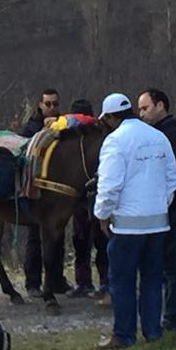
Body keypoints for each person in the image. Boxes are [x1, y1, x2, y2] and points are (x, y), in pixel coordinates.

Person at [93, 93, 176, 349]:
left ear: (110, 118)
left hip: (127, 227)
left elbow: (109, 186)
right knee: (152, 280)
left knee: (122, 281)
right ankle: (152, 332)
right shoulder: (158, 136)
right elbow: (173, 179)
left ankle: (123, 335)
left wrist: (102, 215)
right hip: (158, 224)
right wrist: (158, 204)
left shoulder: (114, 141)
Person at [137, 88, 176, 331]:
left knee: (172, 265)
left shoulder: (174, 133)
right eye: (139, 109)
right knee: (160, 265)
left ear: (160, 105)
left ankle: (174, 319)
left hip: (175, 207)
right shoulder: (154, 134)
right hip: (158, 208)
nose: (141, 114)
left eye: (145, 108)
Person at [16, 88, 69, 296]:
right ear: (40, 105)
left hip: (57, 191)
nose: (52, 108)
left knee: (57, 237)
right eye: (48, 104)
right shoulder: (30, 127)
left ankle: (56, 280)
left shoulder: (63, 123)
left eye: (55, 104)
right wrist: (43, 131)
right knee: (35, 237)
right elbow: (23, 149)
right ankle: (33, 282)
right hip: (36, 190)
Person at [65, 98, 107, 300]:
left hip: (95, 196)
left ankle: (102, 282)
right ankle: (86, 282)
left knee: (99, 240)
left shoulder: (101, 139)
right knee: (82, 241)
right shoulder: (72, 141)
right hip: (81, 198)